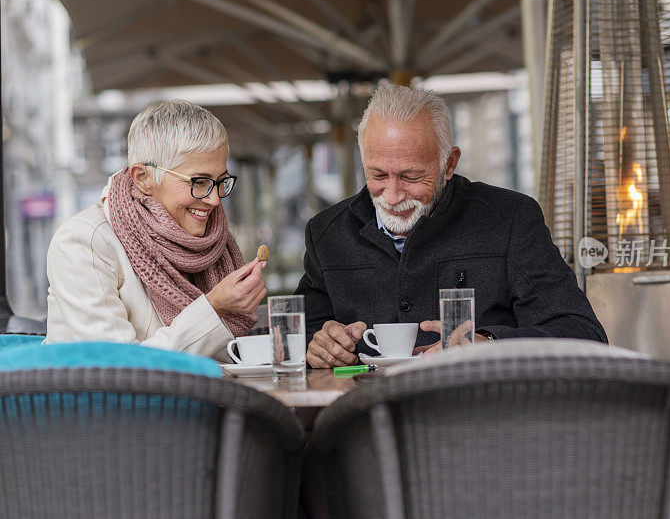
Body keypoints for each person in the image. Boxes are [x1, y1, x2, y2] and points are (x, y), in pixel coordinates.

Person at [297, 85, 608, 368]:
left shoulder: (510, 219)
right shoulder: (327, 234)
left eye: (411, 177)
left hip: (480, 419)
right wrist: (318, 346)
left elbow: (582, 334)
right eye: (377, 175)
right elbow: (301, 338)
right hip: (366, 419)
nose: (392, 196)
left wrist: (489, 345)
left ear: (449, 163)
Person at [45, 101, 266, 360]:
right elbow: (117, 366)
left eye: (220, 182)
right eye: (200, 181)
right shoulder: (83, 241)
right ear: (143, 178)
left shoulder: (213, 240)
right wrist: (214, 307)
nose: (215, 200)